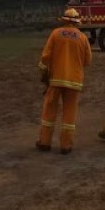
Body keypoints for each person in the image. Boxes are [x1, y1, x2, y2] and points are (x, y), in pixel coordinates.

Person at [36, 8, 92, 155]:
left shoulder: (55, 34)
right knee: (70, 113)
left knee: (49, 110)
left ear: (64, 20)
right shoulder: (82, 38)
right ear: (77, 22)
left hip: (55, 79)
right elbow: (87, 60)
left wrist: (43, 73)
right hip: (74, 81)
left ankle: (44, 142)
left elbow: (45, 57)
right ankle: (66, 145)